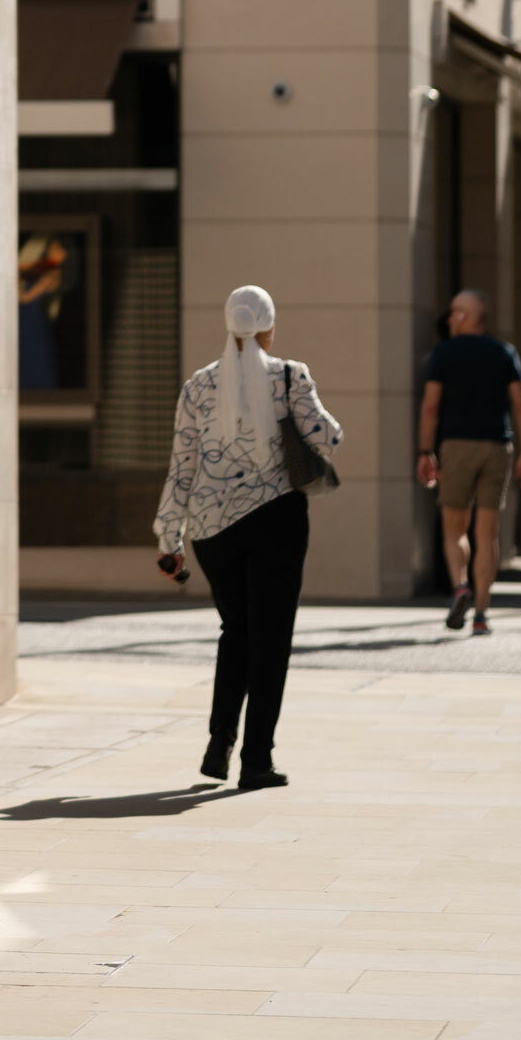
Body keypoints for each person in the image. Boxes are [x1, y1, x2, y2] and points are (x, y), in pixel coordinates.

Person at [153, 284, 343, 791]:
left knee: (236, 630)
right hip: (276, 520)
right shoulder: (288, 376)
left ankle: (219, 745)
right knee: (271, 639)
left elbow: (182, 467)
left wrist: (168, 538)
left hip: (212, 531)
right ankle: (256, 760)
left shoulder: (197, 387)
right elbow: (328, 437)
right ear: (268, 327)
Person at [417, 288, 521, 635]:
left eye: (455, 311)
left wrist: (425, 451)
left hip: (456, 446)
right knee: (488, 533)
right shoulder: (504, 353)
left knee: (455, 528)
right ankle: (482, 613)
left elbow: (430, 406)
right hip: (498, 448)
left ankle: (461, 586)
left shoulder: (445, 353)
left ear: (467, 317)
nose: (450, 318)